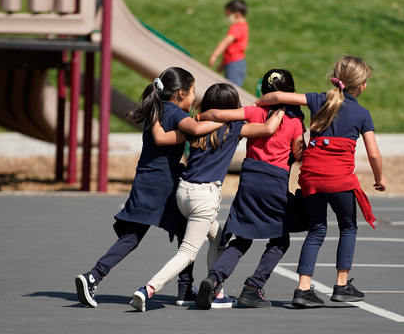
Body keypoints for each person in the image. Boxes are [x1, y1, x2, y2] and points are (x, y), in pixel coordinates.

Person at [129, 83, 285, 312]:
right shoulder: (234, 129)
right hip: (205, 197)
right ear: (231, 107)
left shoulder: (196, 126)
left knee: (217, 238)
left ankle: (217, 292)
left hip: (183, 193)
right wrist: (282, 107)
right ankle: (148, 289)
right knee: (188, 253)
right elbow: (268, 128)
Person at [75, 67, 222, 308]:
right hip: (164, 184)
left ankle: (94, 276)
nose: (195, 97)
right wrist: (221, 121)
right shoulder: (175, 113)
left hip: (144, 179)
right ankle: (182, 288)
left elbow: (164, 138)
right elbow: (193, 131)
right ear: (181, 93)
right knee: (187, 235)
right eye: (194, 91)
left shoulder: (158, 108)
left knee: (135, 236)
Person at [253, 55, 387, 308]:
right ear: (362, 87)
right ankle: (341, 285)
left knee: (316, 230)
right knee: (348, 227)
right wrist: (380, 178)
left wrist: (259, 102)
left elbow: (278, 97)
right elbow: (373, 154)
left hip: (311, 179)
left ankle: (303, 289)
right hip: (340, 181)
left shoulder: (317, 100)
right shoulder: (362, 113)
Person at [194, 69, 308, 310]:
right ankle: (253, 287)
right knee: (280, 240)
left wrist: (202, 115)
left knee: (242, 238)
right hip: (274, 181)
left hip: (249, 179)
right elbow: (299, 155)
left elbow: (216, 114)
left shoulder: (255, 112)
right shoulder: (295, 121)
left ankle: (214, 278)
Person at [209, 0, 249, 88]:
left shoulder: (238, 27)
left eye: (229, 15)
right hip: (232, 63)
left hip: (235, 64)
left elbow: (226, 42)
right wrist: (223, 63)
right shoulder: (242, 26)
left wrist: (215, 54)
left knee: (231, 90)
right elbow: (231, 48)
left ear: (237, 14)